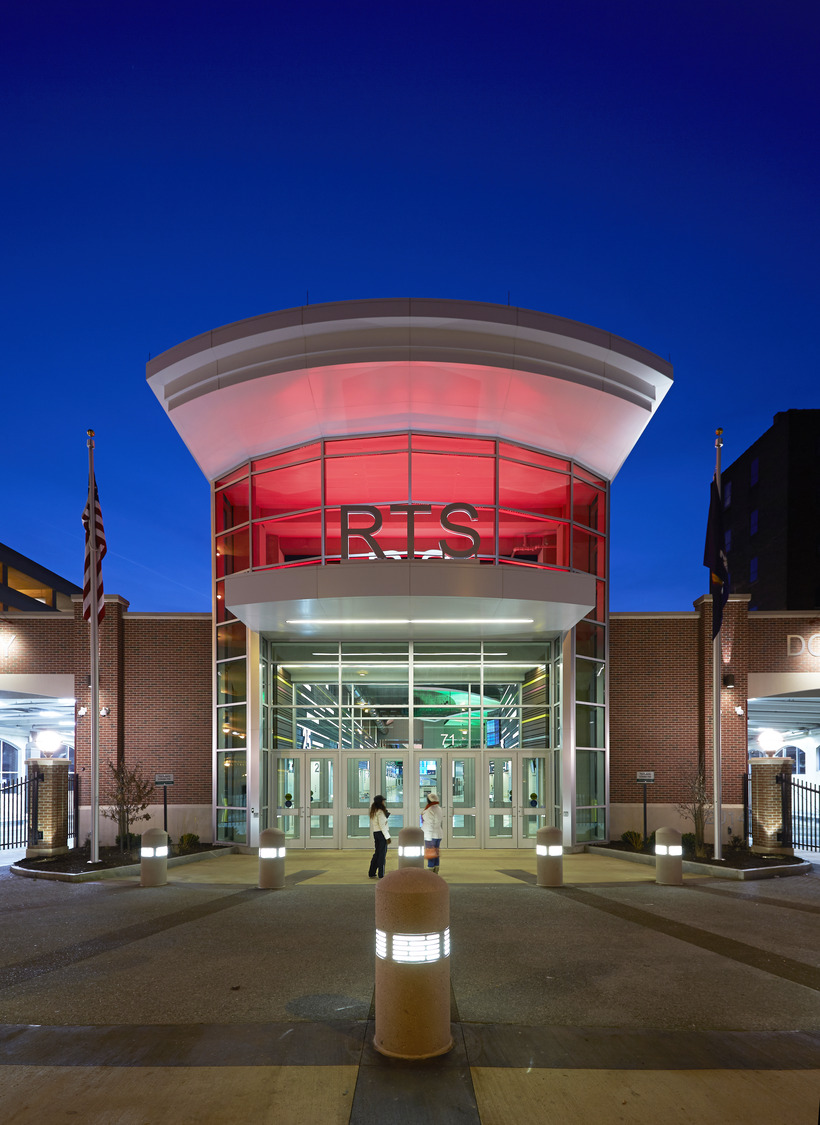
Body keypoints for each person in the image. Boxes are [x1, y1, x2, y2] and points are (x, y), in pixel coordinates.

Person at [421, 790, 445, 873]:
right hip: (438, 834)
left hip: (431, 835)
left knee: (431, 854)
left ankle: (430, 870)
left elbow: (429, 824)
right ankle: (436, 870)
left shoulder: (430, 810)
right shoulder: (438, 808)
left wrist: (428, 837)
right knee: (436, 854)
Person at [368, 794, 391, 879]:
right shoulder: (380, 812)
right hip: (382, 834)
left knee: (377, 853)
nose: (384, 802)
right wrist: (387, 837)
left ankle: (372, 872)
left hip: (376, 833)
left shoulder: (374, 810)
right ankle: (381, 873)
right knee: (382, 854)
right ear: (380, 802)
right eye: (383, 801)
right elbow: (382, 825)